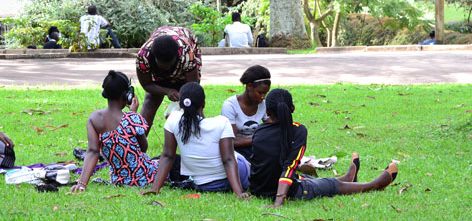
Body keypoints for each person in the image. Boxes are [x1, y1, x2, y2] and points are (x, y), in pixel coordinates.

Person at [249, 88, 398, 207]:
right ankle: (374, 185)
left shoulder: (259, 131)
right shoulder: (298, 130)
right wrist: (279, 201)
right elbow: (289, 167)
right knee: (331, 185)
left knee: (306, 178)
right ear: (292, 108)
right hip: (284, 191)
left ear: (267, 112)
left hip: (259, 189)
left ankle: (347, 179)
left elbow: (261, 164)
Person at [140, 82, 250, 199]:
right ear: (203, 104)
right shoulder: (221, 123)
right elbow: (228, 160)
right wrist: (239, 193)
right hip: (235, 177)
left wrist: (154, 189)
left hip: (205, 186)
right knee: (244, 161)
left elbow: (167, 156)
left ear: (180, 105)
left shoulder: (172, 120)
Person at [71, 70, 158, 192]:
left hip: (118, 180)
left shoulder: (94, 119)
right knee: (167, 161)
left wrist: (82, 183)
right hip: (144, 177)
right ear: (126, 94)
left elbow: (92, 152)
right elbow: (143, 148)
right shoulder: (132, 118)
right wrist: (133, 114)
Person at [136, 26, 201, 134]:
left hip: (186, 45)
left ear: (177, 56)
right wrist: (167, 91)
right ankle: (138, 144)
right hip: (158, 63)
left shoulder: (186, 52)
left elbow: (192, 86)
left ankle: (192, 138)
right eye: (163, 66)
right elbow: (147, 84)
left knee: (190, 102)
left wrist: (182, 98)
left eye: (170, 65)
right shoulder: (144, 56)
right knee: (150, 100)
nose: (167, 69)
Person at [221, 65, 271, 161]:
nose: (263, 97)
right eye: (260, 93)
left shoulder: (263, 104)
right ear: (249, 86)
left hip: (256, 147)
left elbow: (271, 127)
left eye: (265, 93)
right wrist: (259, 139)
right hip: (236, 151)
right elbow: (232, 141)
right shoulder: (230, 106)